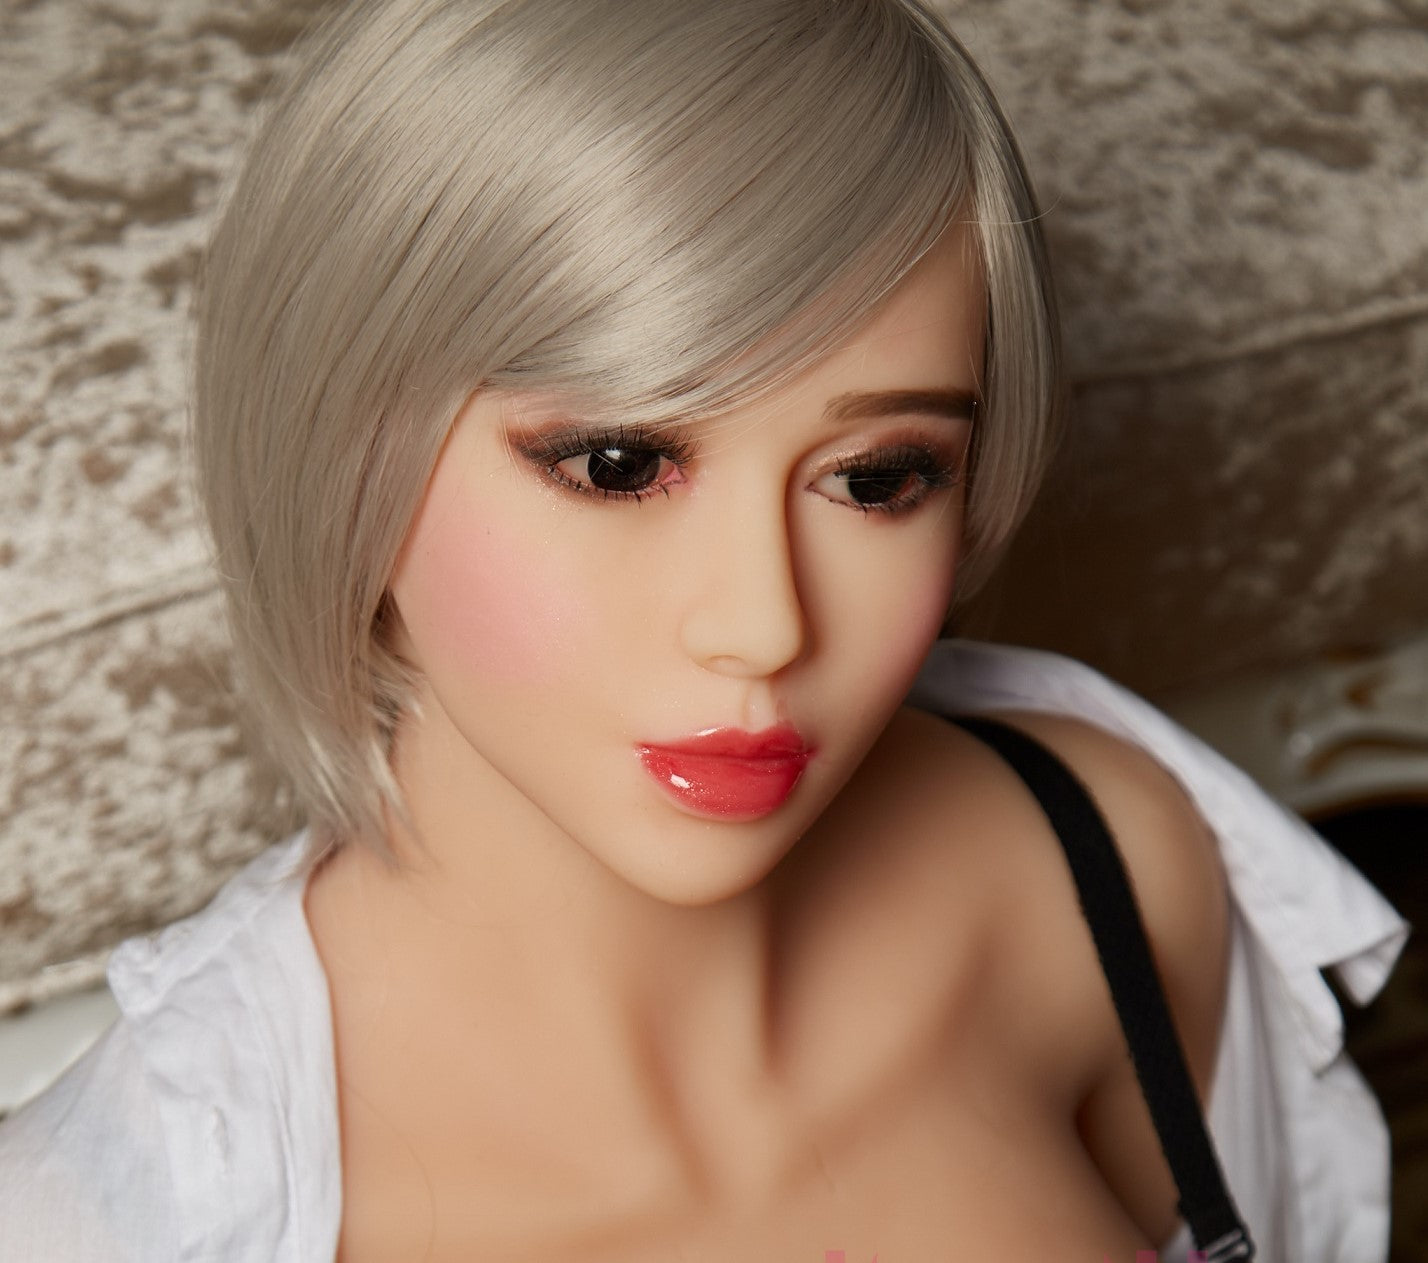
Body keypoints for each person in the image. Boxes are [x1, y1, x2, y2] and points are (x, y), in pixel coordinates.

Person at [0, 1, 1407, 1260]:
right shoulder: (128, 1221)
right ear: (338, 444)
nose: (763, 625)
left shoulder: (1104, 869)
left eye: (878, 479)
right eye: (618, 465)